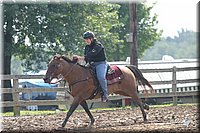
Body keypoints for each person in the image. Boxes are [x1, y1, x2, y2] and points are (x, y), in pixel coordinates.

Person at [75, 31, 109, 102]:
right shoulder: (87, 47)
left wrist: (80, 58)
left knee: (101, 77)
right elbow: (87, 58)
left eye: (87, 39)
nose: (86, 41)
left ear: (92, 39)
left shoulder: (98, 45)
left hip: (100, 64)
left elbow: (91, 54)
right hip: (91, 64)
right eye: (85, 39)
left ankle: (105, 95)